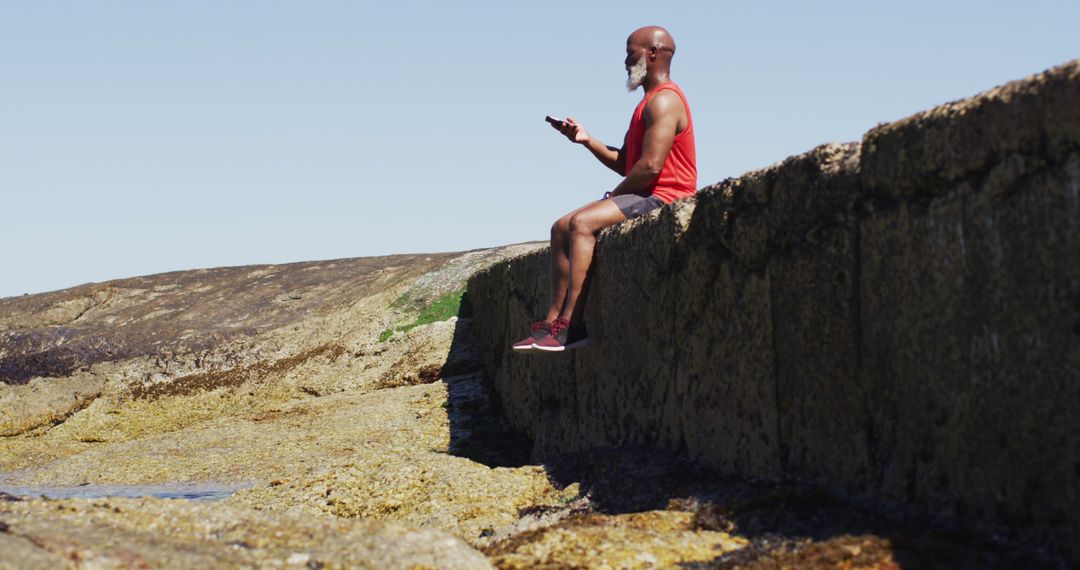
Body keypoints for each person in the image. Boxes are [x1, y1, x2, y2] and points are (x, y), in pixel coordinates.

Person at [515, 25, 697, 352]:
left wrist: (616, 195)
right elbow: (627, 161)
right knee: (560, 228)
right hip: (643, 192)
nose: (625, 62)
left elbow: (650, 167)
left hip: (666, 197)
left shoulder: (666, 101)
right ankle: (552, 324)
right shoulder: (647, 104)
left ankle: (573, 325)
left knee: (582, 224)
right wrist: (585, 140)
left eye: (631, 54)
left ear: (653, 54)